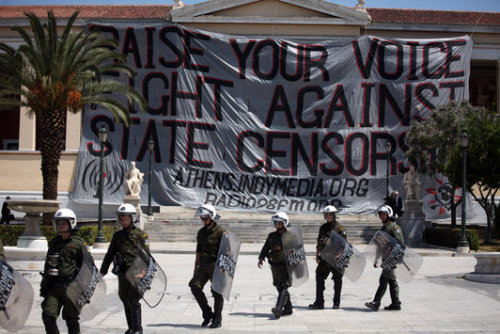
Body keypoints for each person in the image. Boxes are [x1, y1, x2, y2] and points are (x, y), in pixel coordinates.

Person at [40, 208, 92, 334]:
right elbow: (47, 265)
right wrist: (44, 286)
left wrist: (85, 289)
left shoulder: (79, 244)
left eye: (63, 223)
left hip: (72, 288)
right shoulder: (54, 243)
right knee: (48, 315)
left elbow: (88, 267)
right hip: (54, 286)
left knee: (71, 320)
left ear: (71, 223)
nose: (59, 226)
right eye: (58, 223)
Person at [100, 203, 149, 334]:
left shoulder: (141, 235)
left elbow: (146, 256)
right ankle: (131, 327)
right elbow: (110, 254)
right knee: (124, 298)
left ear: (132, 218)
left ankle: (138, 329)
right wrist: (103, 271)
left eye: (126, 218)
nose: (123, 221)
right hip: (122, 272)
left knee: (134, 300)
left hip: (136, 273)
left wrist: (143, 273)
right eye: (121, 218)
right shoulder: (118, 236)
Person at [189, 204, 226, 328]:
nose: (203, 220)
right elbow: (198, 250)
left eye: (205, 218)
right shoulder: (201, 232)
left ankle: (217, 318)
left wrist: (223, 268)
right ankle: (207, 312)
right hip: (204, 265)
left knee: (217, 292)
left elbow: (228, 252)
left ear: (211, 217)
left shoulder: (221, 232)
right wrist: (195, 267)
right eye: (201, 218)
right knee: (194, 286)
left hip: (216, 265)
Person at [365, 205, 405, 311]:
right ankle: (395, 303)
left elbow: (399, 243)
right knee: (392, 281)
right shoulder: (383, 228)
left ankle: (376, 302)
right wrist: (376, 259)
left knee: (383, 280)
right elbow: (380, 245)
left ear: (388, 214)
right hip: (385, 258)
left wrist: (391, 253)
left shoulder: (394, 228)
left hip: (391, 259)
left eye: (383, 214)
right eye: (380, 214)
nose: (381, 216)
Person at [309, 205, 346, 310]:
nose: (328, 216)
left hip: (335, 259)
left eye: (330, 214)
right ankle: (319, 302)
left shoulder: (340, 228)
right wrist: (317, 254)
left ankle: (336, 302)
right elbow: (319, 241)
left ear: (334, 215)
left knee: (337, 280)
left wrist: (339, 255)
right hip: (325, 258)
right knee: (319, 277)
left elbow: (344, 244)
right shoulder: (323, 228)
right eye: (327, 214)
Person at [258, 212, 294, 319]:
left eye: (280, 223)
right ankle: (288, 308)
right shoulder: (272, 236)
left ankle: (278, 309)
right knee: (279, 287)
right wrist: (261, 258)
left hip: (286, 266)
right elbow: (265, 248)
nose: (277, 225)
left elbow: (298, 250)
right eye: (276, 223)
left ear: (285, 223)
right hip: (275, 266)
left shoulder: (291, 236)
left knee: (283, 286)